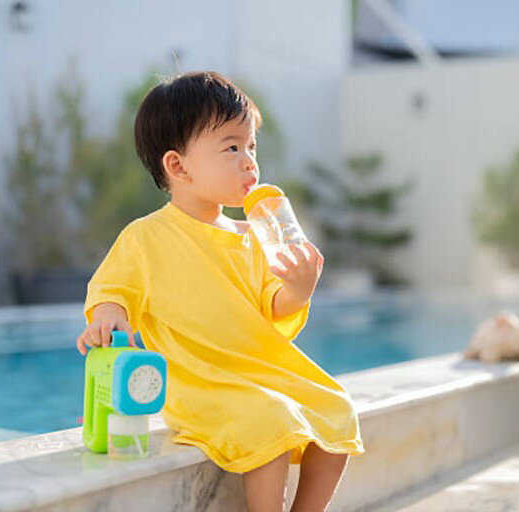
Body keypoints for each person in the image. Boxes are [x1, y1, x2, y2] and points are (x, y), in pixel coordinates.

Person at [75, 70, 365, 511]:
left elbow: (274, 307)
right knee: (270, 418)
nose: (249, 161)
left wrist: (298, 290)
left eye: (252, 146)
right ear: (178, 166)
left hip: (259, 371)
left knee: (337, 408)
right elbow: (112, 288)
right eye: (232, 147)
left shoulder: (256, 235)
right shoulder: (146, 236)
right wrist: (108, 316)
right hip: (200, 383)